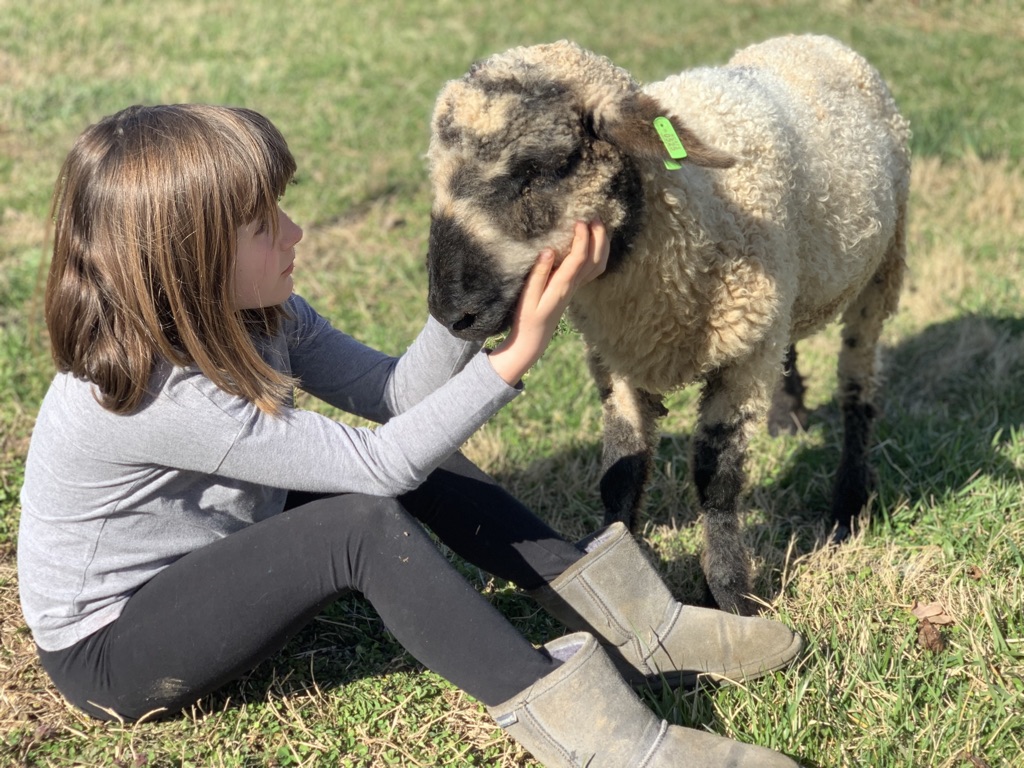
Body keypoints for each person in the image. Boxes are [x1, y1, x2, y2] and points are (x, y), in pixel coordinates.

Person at [18, 104, 803, 767]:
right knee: (359, 521)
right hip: (114, 649)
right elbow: (379, 465)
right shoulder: (151, 392)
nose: (296, 234)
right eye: (265, 227)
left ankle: (643, 627)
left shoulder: (261, 314)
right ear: (184, 263)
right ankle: (611, 742)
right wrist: (518, 354)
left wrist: (500, 287)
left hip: (215, 545)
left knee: (420, 461)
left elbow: (395, 397)